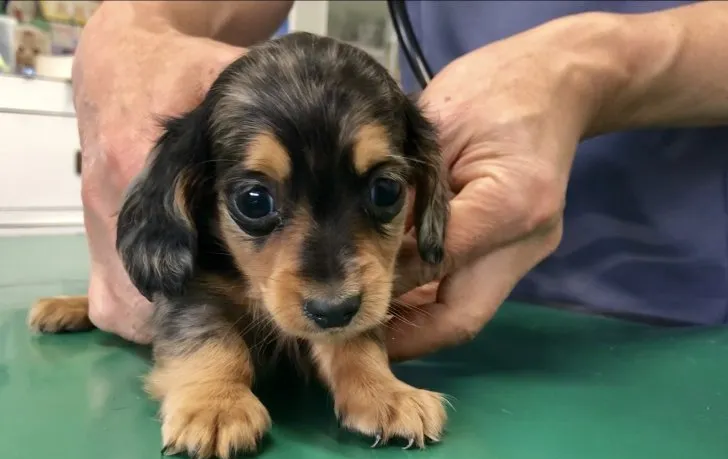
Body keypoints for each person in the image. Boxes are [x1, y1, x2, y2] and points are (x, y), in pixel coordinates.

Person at [73, 1, 728, 361]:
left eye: (384, 192)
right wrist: (130, 21)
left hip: (688, 320)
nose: (333, 283)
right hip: (453, 312)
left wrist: (608, 65)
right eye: (255, 200)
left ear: (423, 184)